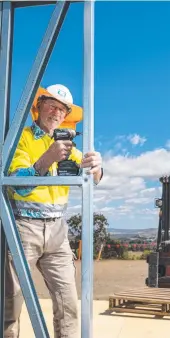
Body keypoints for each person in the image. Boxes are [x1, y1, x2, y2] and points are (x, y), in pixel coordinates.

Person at [4, 84, 103, 338]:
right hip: (23, 228)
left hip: (58, 230)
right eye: (52, 106)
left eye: (62, 110)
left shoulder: (67, 145)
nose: (56, 113)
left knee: (68, 303)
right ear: (38, 106)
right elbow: (17, 184)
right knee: (10, 303)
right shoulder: (20, 138)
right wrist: (47, 159)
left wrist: (97, 168)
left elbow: (93, 177)